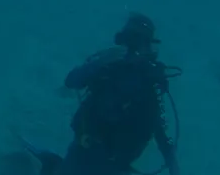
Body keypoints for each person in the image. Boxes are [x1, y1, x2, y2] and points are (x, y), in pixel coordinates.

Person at [27, 14, 181, 175]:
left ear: (148, 48)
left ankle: (51, 163)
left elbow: (161, 129)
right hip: (85, 148)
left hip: (118, 162)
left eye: (138, 43)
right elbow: (71, 81)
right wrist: (98, 63)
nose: (132, 49)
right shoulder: (107, 66)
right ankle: (48, 164)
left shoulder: (152, 81)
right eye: (128, 41)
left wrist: (173, 164)